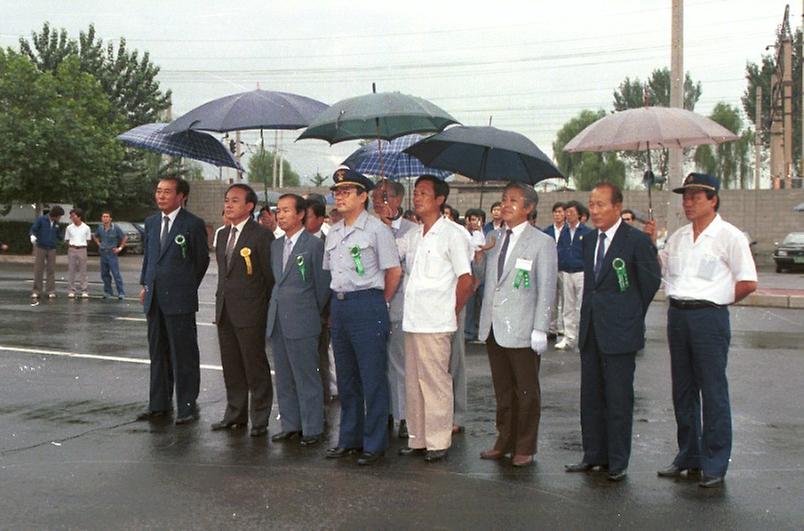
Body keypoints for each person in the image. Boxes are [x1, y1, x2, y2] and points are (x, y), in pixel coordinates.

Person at [647, 173, 757, 488]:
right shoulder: (679, 236)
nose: (688, 202)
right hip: (678, 316)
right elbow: (662, 269)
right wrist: (650, 242)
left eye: (696, 196)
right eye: (685, 196)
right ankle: (688, 455)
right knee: (682, 391)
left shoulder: (730, 236)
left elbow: (748, 281)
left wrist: (718, 300)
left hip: (709, 317)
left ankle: (715, 462)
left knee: (712, 391)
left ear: (713, 200)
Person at [565, 182, 660, 482]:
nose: (593, 211)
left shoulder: (636, 240)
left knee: (618, 398)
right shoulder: (589, 239)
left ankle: (618, 460)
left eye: (600, 205)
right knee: (590, 396)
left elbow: (649, 283)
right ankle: (593, 454)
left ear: (617, 207)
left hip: (620, 332)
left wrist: (628, 314)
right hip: (592, 330)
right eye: (591, 204)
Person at [323, 167, 401, 466]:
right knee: (346, 379)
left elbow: (393, 271)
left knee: (372, 378)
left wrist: (379, 301)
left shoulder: (377, 230)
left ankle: (374, 443)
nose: (339, 196)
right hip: (340, 305)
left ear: (363, 196)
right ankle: (349, 439)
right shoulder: (335, 231)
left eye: (346, 192)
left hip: (368, 304)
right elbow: (331, 270)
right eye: (337, 192)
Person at [476, 182, 557, 467]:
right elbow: (483, 279)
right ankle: (504, 439)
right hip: (494, 326)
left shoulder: (541, 242)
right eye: (503, 199)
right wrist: (478, 254)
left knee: (526, 390)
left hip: (523, 328)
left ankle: (525, 445)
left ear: (529, 207)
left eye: (513, 200)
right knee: (502, 390)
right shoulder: (494, 237)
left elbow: (547, 287)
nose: (505, 205)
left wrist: (540, 328)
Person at [398, 176, 474, 463]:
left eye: (424, 193)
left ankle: (439, 439)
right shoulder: (415, 234)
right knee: (414, 382)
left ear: (440, 199)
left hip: (436, 321)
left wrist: (450, 311)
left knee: (435, 381)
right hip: (413, 319)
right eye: (415, 192)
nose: (417, 197)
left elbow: (467, 280)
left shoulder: (453, 233)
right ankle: (418, 438)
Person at [137, 177, 210, 425]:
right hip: (154, 296)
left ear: (181, 196)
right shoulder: (151, 222)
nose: (161, 196)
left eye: (167, 192)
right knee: (157, 352)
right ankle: (158, 404)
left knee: (183, 355)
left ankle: (187, 406)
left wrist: (184, 286)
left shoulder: (193, 224)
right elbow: (149, 258)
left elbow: (201, 261)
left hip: (180, 299)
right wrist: (144, 284)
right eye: (158, 191)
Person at [211, 184, 275, 437]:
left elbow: (269, 278)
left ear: (249, 206)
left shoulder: (261, 235)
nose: (228, 205)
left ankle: (259, 418)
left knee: (254, 366)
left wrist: (264, 310)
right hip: (226, 310)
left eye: (235, 201)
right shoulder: (222, 235)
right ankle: (235, 414)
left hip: (251, 312)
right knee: (231, 366)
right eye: (227, 200)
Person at [268, 194, 330, 446]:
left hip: (303, 319)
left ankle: (313, 427)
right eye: (278, 211)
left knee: (307, 376)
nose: (280, 216)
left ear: (301, 214)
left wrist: (310, 311)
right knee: (283, 375)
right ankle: (291, 424)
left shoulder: (314, 246)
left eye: (285, 211)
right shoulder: (275, 245)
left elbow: (322, 286)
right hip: (278, 319)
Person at [371, 180, 418, 439]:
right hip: (373, 305)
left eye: (384, 196)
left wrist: (389, 234)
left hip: (401, 305)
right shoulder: (368, 228)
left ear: (399, 200)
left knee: (399, 363)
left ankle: (403, 416)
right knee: (377, 364)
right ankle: (384, 412)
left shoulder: (413, 231)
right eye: (375, 197)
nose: (378, 201)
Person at [305, 198, 337, 402]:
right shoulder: (297, 241)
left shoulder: (328, 243)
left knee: (320, 358)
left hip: (322, 313)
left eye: (307, 216)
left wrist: (329, 312)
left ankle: (323, 400)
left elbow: (334, 279)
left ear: (319, 218)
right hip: (301, 311)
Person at [555, 200, 591, 351]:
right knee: (567, 306)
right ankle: (569, 337)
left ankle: (583, 337)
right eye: (566, 212)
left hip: (581, 272)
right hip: (566, 272)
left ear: (579, 215)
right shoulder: (563, 231)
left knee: (581, 306)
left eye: (571, 212)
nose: (567, 215)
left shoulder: (586, 232)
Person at [29, 205, 65, 299]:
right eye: (60, 216)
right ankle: (36, 291)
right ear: (55, 215)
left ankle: (50, 290)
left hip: (52, 248)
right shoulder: (41, 220)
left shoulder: (57, 223)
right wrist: (32, 236)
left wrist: (64, 239)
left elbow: (59, 235)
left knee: (51, 270)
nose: (60, 218)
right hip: (41, 247)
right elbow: (33, 229)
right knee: (38, 269)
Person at [543, 202, 566, 341]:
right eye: (555, 212)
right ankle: (551, 327)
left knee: (565, 300)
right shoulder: (547, 231)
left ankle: (562, 327)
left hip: (564, 269)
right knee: (551, 299)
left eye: (560, 212)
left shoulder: (568, 231)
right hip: (551, 268)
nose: (558, 214)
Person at [463, 208, 487, 343]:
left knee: (483, 303)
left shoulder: (488, 234)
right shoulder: (464, 234)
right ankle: (469, 331)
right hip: (469, 270)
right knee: (470, 304)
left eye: (477, 219)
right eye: (471, 219)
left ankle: (482, 331)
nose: (474, 222)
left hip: (484, 270)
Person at [95, 211, 127, 300]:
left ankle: (121, 292)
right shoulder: (100, 228)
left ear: (110, 218)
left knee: (116, 273)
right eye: (103, 216)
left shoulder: (115, 228)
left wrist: (120, 248)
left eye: (107, 216)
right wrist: (98, 243)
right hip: (103, 253)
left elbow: (124, 237)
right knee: (104, 274)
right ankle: (108, 291)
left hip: (112, 253)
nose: (105, 218)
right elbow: (95, 236)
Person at [64, 208, 92, 299]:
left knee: (83, 271)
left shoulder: (86, 227)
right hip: (72, 248)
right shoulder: (69, 227)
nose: (72, 218)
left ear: (79, 217)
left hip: (82, 249)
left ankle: (84, 290)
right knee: (71, 270)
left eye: (73, 216)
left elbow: (88, 240)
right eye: (71, 216)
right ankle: (71, 290)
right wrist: (72, 246)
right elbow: (67, 239)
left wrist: (81, 246)